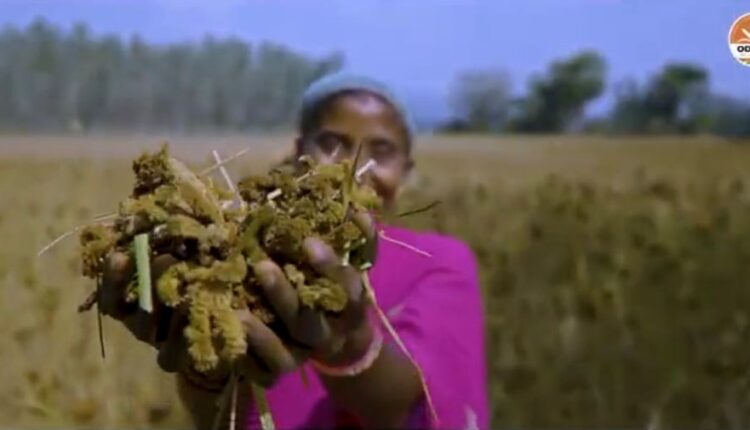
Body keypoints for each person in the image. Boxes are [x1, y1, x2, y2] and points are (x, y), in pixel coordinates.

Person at [100, 73, 488, 429]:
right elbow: (221, 415)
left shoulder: (439, 260)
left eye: (382, 151)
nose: (354, 168)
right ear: (300, 152)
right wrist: (203, 367)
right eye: (332, 144)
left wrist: (348, 344)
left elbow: (415, 401)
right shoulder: (252, 253)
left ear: (406, 170)